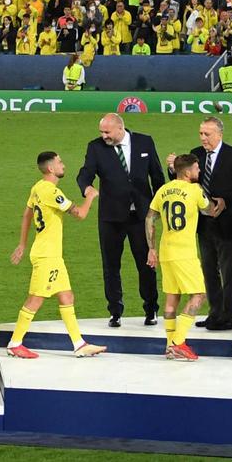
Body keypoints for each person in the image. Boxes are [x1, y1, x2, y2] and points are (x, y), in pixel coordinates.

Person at [6, 150, 105, 360]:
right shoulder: (52, 192)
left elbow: (26, 215)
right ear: (50, 168)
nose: (63, 165)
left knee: (66, 296)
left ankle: (79, 344)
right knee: (36, 299)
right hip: (47, 256)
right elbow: (79, 214)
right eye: (60, 162)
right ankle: (15, 343)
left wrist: (23, 244)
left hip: (50, 254)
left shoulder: (37, 188)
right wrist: (90, 197)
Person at [76, 113, 166, 328]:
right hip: (111, 217)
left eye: (107, 132)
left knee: (146, 264)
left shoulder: (145, 141)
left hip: (140, 216)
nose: (103, 136)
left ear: (120, 129)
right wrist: (86, 187)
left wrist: (158, 205)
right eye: (101, 132)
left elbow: (157, 175)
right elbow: (85, 173)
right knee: (111, 265)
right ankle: (115, 311)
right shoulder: (96, 147)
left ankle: (151, 308)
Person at [147, 154, 221, 360]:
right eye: (197, 168)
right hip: (184, 253)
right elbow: (209, 211)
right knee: (198, 295)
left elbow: (150, 218)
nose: (199, 171)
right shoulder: (194, 190)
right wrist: (219, 205)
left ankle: (169, 346)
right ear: (187, 172)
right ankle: (179, 342)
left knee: (172, 299)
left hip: (166, 251)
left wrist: (151, 249)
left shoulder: (163, 190)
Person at [192, 116, 232, 331]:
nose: (203, 138)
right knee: (208, 270)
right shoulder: (195, 154)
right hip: (204, 224)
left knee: (228, 271)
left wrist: (223, 200)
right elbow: (187, 182)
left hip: (227, 224)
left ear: (219, 134)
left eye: (207, 134)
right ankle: (214, 313)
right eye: (201, 133)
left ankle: (229, 316)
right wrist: (172, 170)